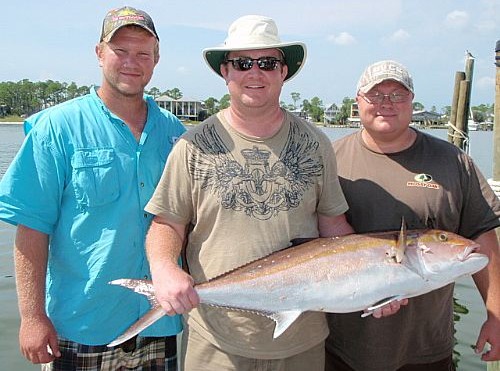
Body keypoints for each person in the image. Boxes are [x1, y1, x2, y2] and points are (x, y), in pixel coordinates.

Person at [143, 15, 354, 371]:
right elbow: (167, 223)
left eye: (268, 63)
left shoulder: (316, 144)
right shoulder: (192, 146)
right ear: (226, 72)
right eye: (242, 63)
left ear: (283, 72)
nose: (255, 73)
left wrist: (380, 281)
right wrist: (163, 268)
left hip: (301, 342)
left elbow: (334, 227)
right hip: (216, 341)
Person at [0, 6, 185, 370]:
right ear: (99, 53)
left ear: (156, 60)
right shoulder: (56, 128)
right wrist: (33, 318)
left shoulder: (176, 133)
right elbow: (32, 228)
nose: (131, 62)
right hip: (80, 325)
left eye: (143, 53)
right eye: (121, 51)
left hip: (159, 321)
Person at [325, 60, 500, 371]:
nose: (386, 104)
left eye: (397, 95)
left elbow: (482, 239)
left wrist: (496, 314)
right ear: (358, 101)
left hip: (428, 348)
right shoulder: (329, 161)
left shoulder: (454, 162)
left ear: (412, 102)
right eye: (375, 95)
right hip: (341, 348)